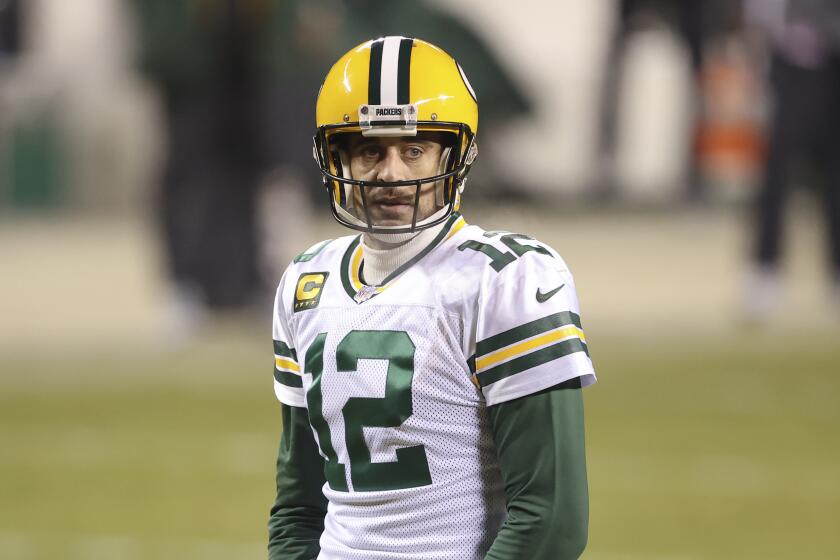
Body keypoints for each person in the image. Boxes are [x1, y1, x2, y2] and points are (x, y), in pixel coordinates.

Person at [268, 37, 596, 560]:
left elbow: (550, 521)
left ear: (455, 154)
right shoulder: (307, 281)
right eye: (370, 149)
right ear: (335, 158)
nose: (392, 172)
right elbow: (298, 509)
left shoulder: (504, 279)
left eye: (414, 149)